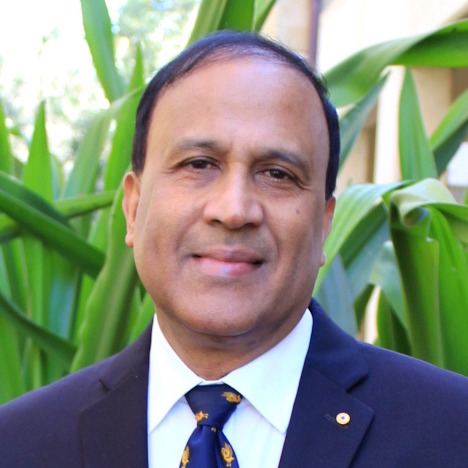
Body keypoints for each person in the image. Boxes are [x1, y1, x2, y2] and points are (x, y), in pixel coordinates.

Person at [1, 31, 467, 468]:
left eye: (277, 173)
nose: (234, 209)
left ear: (324, 224)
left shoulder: (452, 432)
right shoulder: (20, 443)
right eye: (199, 164)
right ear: (133, 207)